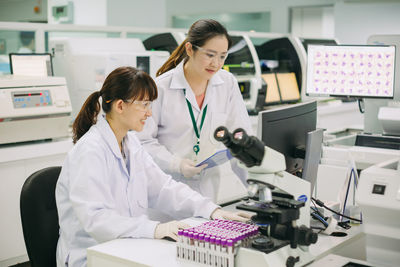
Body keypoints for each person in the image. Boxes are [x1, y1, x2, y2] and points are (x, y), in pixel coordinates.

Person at [55, 66, 251, 267]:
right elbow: (96, 219)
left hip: (127, 247)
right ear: (120, 106)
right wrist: (154, 229)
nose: (149, 113)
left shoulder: (131, 144)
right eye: (145, 105)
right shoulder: (90, 151)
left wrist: (211, 211)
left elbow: (164, 188)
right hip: (91, 255)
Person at [137, 19, 253, 201]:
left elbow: (241, 137)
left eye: (222, 56)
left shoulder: (227, 83)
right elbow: (142, 142)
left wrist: (254, 188)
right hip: (166, 193)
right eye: (210, 55)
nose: (216, 63)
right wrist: (177, 164)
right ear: (190, 49)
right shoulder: (160, 88)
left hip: (209, 195)